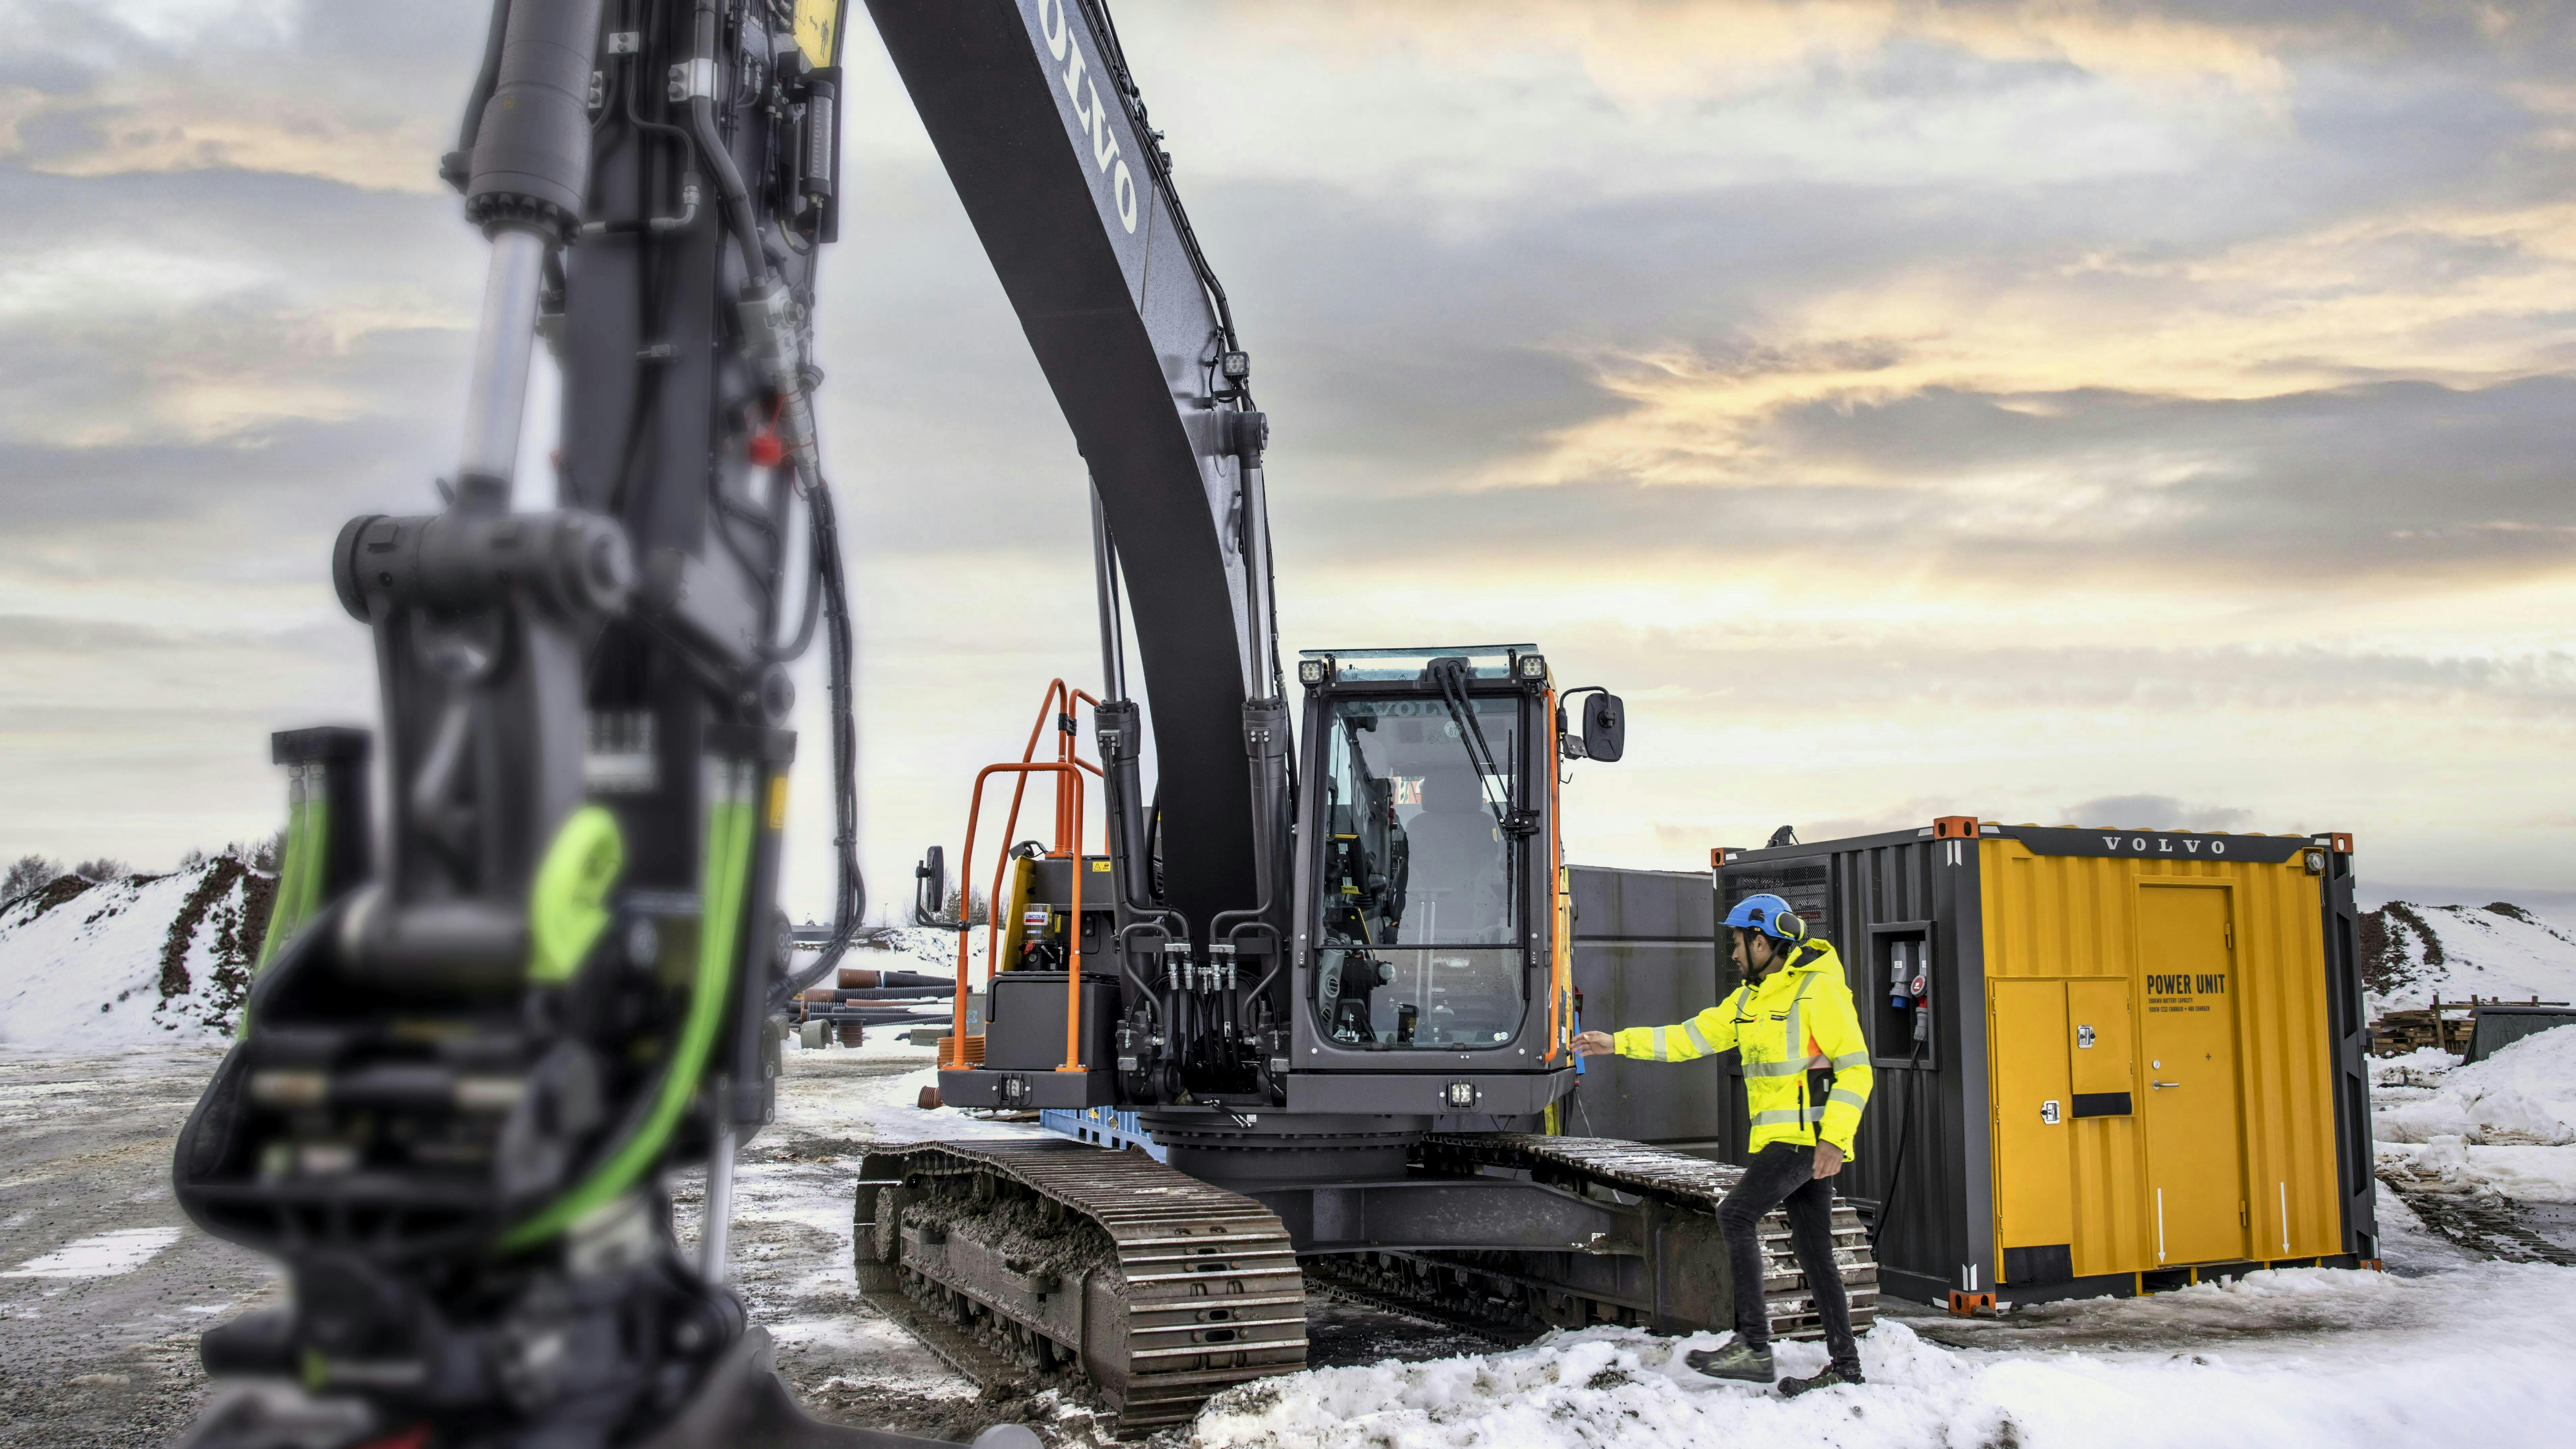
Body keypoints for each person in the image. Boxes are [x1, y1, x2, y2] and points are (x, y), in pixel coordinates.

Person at [1572, 891, 1872, 1396]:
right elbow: (1690, 1038)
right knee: (1814, 1248)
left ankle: (1754, 1347)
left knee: (1735, 1213)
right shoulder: (1749, 1000)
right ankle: (1847, 1364)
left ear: (1762, 941)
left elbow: (1856, 1070)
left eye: (1737, 943)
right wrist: (1615, 1042)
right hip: (1782, 1139)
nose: (1732, 954)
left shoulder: (1819, 991)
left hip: (1805, 1140)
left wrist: (1835, 1141)